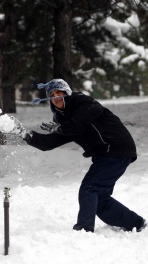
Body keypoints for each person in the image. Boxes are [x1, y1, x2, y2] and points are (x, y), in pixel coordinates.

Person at [15, 78, 146, 233]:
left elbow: (78, 122)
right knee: (99, 200)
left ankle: (84, 230)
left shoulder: (84, 103)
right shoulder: (63, 119)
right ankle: (136, 223)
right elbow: (47, 143)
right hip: (104, 155)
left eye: (60, 93)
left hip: (116, 148)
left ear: (68, 93)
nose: (56, 97)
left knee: (89, 189)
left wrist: (61, 128)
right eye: (52, 94)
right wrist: (23, 133)